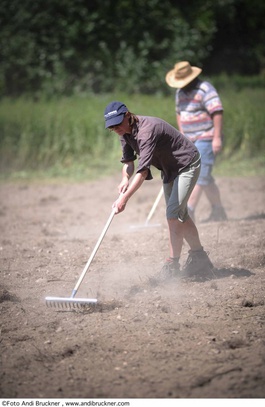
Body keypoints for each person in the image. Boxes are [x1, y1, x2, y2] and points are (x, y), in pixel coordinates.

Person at [103, 100, 214, 280]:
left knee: (172, 214)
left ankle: (172, 265)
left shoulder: (147, 130)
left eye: (117, 124)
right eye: (112, 127)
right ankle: (200, 258)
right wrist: (125, 177)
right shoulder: (124, 133)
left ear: (127, 115)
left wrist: (124, 199)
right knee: (180, 215)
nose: (115, 129)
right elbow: (129, 163)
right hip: (169, 169)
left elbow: (143, 170)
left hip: (187, 164)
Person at [165, 61, 227, 223]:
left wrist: (217, 137)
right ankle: (219, 210)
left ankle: (189, 209)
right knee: (206, 178)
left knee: (199, 175)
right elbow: (179, 113)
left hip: (206, 137)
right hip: (189, 139)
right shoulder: (180, 92)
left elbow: (217, 111)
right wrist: (182, 133)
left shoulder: (205, 89)